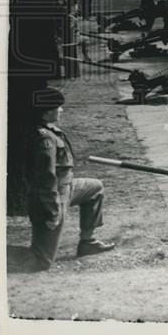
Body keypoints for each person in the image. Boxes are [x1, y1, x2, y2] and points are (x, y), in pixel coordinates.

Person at [27, 88, 115, 270]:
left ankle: (87, 242)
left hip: (68, 187)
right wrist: (52, 211)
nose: (61, 110)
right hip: (53, 196)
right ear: (48, 111)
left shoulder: (50, 130)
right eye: (58, 107)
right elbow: (46, 178)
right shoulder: (44, 138)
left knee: (95, 188)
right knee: (41, 261)